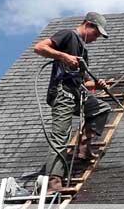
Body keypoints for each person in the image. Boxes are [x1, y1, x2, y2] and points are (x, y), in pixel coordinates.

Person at [34, 12, 111, 193]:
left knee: (101, 108)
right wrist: (63, 56)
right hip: (62, 94)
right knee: (61, 136)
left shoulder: (83, 51)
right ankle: (53, 183)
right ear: (87, 25)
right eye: (96, 34)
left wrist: (97, 84)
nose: (96, 38)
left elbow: (83, 82)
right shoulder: (68, 35)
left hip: (76, 93)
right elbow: (39, 48)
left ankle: (84, 148)